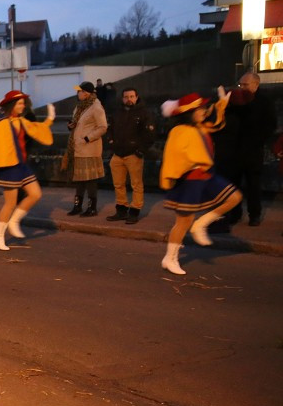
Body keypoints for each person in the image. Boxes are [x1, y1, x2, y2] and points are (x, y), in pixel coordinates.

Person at [158, 90, 243, 275]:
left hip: (207, 174)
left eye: (204, 107)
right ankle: (170, 257)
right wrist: (174, 175)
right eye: (200, 108)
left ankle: (202, 223)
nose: (204, 110)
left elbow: (217, 123)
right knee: (183, 222)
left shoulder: (201, 127)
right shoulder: (179, 130)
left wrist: (222, 104)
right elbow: (174, 156)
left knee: (234, 197)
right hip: (190, 179)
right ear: (190, 112)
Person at [0, 90, 56, 250]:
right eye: (19, 103)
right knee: (10, 203)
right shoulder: (0, 122)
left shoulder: (20, 121)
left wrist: (50, 119)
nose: (22, 106)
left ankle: (13, 221)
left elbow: (36, 129)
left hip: (21, 165)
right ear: (12, 105)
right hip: (8, 167)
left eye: (23, 103)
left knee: (35, 194)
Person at [214, 72, 277, 228]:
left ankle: (254, 215)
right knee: (234, 185)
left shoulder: (264, 102)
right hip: (235, 150)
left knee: (253, 185)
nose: (241, 87)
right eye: (240, 84)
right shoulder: (235, 99)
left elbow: (270, 125)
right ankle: (235, 214)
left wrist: (258, 140)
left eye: (245, 85)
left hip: (253, 151)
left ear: (256, 85)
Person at [106, 87, 155, 224]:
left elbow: (149, 134)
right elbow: (110, 128)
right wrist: (111, 143)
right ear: (122, 99)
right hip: (117, 154)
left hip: (134, 154)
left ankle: (134, 211)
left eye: (132, 96)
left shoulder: (144, 113)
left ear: (137, 97)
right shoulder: (117, 113)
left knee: (136, 184)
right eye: (126, 97)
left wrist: (140, 151)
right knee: (118, 184)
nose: (129, 99)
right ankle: (121, 210)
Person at [62, 81, 108, 217]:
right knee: (79, 179)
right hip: (78, 148)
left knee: (90, 180)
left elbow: (103, 127)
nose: (78, 93)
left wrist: (88, 138)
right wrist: (71, 126)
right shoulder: (79, 107)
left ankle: (92, 207)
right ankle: (77, 206)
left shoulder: (96, 107)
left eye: (80, 91)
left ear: (86, 93)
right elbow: (78, 124)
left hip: (89, 149)